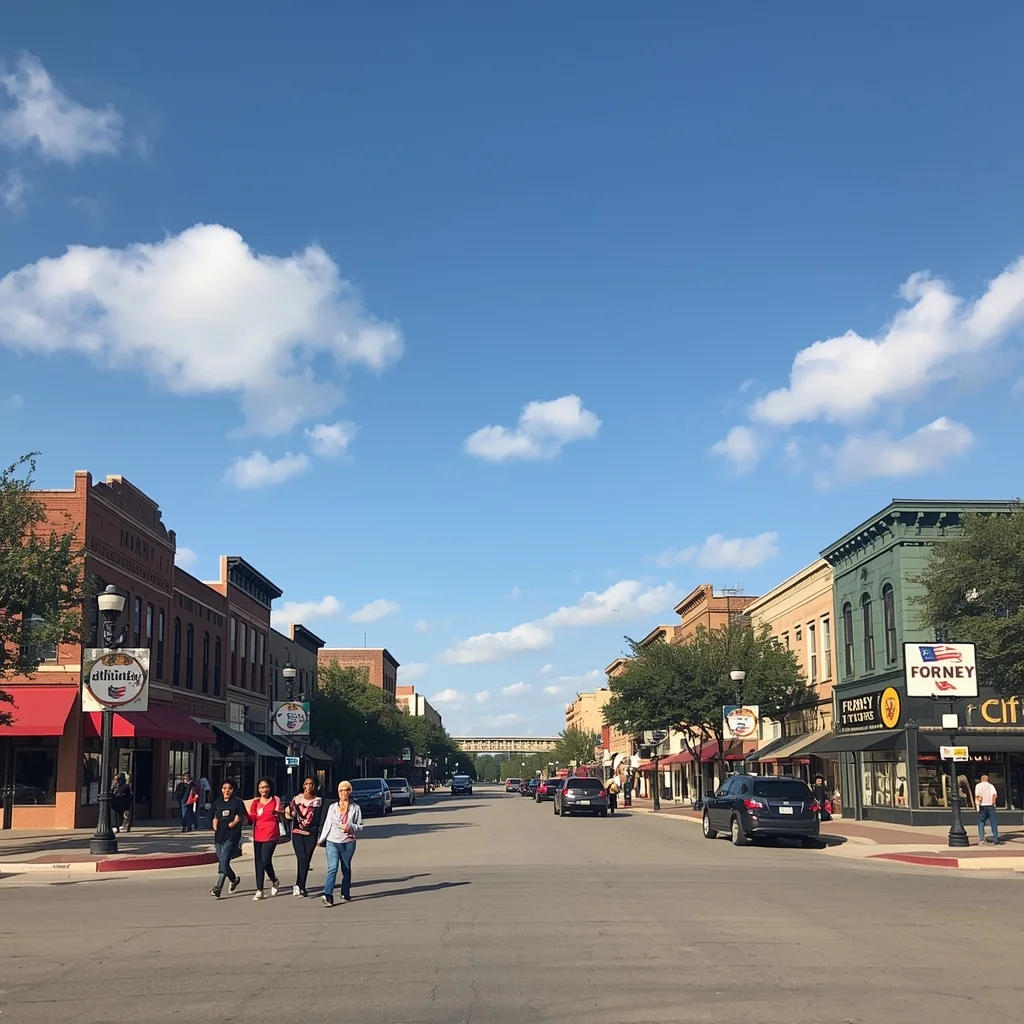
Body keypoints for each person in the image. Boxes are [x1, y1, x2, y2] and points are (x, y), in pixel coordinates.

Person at [318, 780, 364, 906]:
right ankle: (328, 895)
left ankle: (345, 891)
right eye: (341, 791)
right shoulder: (333, 807)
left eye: (346, 790)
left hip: (348, 842)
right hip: (332, 841)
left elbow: (360, 826)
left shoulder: (355, 808)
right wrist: (321, 839)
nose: (344, 793)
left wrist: (351, 826)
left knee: (346, 868)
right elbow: (328, 823)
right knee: (332, 868)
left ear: (350, 792)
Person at [286, 776, 323, 897]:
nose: (308, 786)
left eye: (311, 784)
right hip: (297, 832)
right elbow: (290, 814)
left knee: (306, 859)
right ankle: (299, 885)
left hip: (311, 833)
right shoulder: (296, 799)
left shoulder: (319, 801)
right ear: (303, 785)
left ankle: (301, 885)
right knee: (301, 857)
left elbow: (320, 819)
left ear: (315, 786)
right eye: (306, 784)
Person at [248, 777, 285, 900]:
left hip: (271, 833)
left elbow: (281, 813)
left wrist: (280, 813)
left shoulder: (275, 800)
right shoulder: (255, 803)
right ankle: (259, 889)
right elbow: (252, 818)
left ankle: (274, 879)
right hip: (258, 833)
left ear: (270, 788)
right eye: (261, 787)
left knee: (264, 859)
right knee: (259, 862)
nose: (263, 789)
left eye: (265, 787)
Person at [209, 779, 247, 898]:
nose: (226, 791)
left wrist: (235, 821)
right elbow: (213, 815)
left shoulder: (237, 802)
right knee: (222, 863)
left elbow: (242, 816)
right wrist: (214, 821)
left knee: (224, 862)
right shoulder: (218, 802)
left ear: (233, 790)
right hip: (219, 836)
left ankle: (218, 887)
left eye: (229, 788)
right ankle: (233, 879)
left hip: (232, 835)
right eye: (224, 788)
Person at [975, 774, 1001, 845]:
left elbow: (977, 796)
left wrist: (978, 804)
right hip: (991, 806)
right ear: (987, 779)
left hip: (982, 806)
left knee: (981, 821)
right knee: (993, 822)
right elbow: (994, 795)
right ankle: (995, 839)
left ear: (981, 779)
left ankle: (981, 839)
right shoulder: (991, 786)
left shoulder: (978, 786)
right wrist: (993, 803)